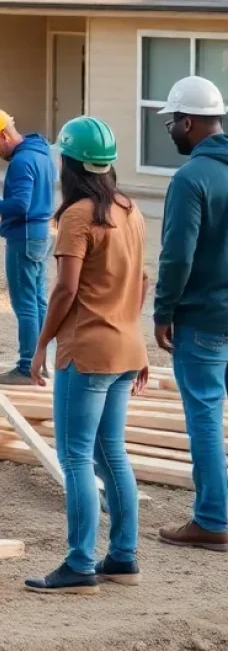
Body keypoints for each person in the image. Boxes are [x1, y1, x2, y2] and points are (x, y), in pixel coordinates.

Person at [23, 116, 148, 594]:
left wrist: (39, 345)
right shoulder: (130, 210)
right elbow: (141, 282)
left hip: (87, 351)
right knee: (111, 452)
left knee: (75, 456)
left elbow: (65, 291)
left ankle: (79, 563)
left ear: (70, 163)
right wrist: (136, 341)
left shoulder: (79, 216)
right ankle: (123, 556)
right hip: (124, 348)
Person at [152, 75, 228, 553]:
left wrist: (163, 310)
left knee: (204, 415)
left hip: (203, 317)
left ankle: (212, 518)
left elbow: (177, 255)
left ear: (188, 121)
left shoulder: (191, 179)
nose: (171, 134)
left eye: (172, 125)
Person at [0, 108, 55, 385]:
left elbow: (20, 205)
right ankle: (41, 363)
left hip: (24, 237)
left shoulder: (21, 162)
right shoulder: (42, 154)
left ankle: (27, 366)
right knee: (39, 301)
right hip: (40, 234)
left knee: (26, 304)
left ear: (3, 136)